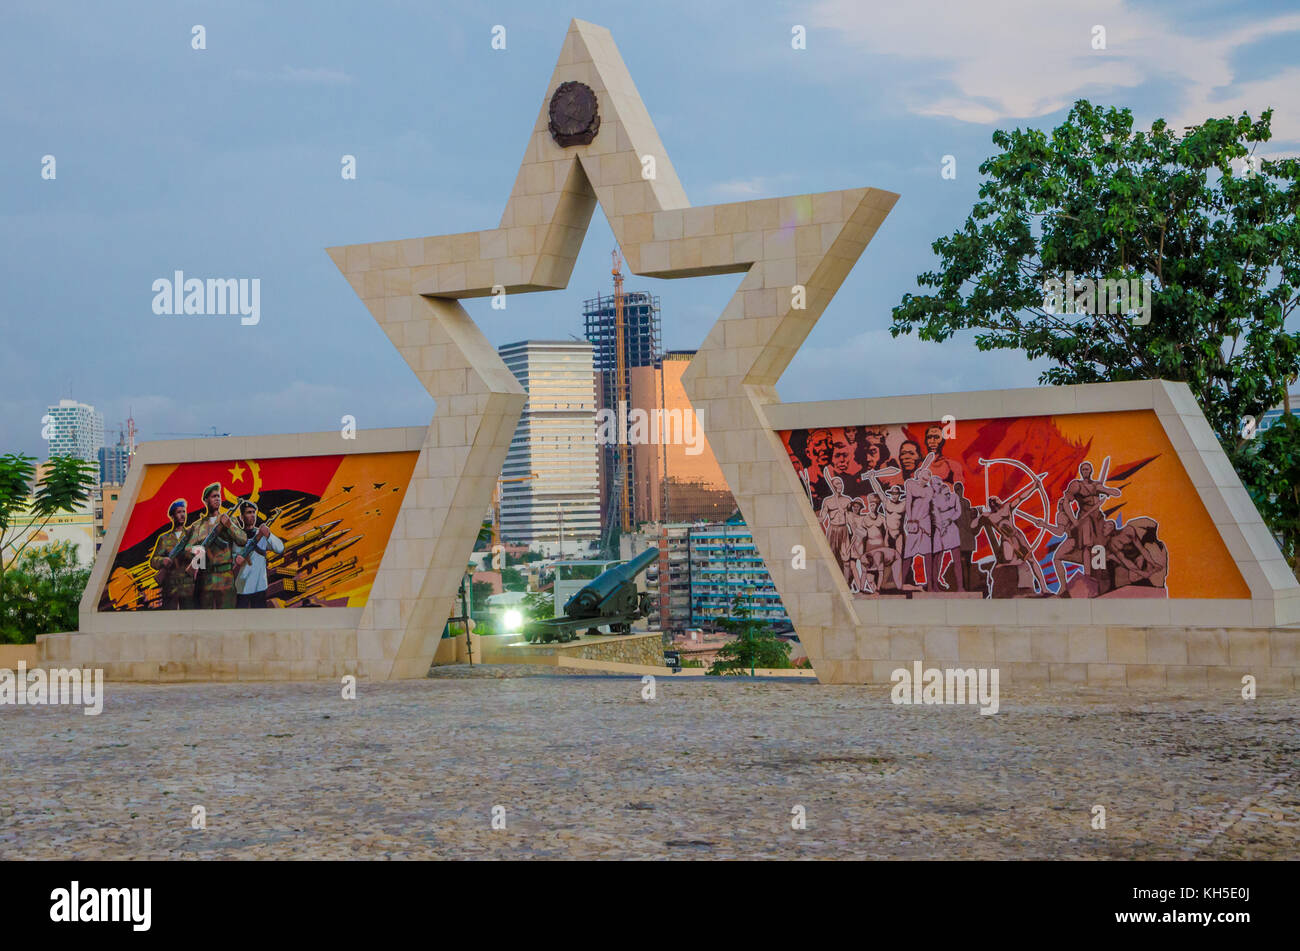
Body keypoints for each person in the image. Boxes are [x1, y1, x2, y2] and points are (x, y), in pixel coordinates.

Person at [189, 482, 247, 610]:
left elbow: (242, 539)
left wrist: (229, 525)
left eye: (218, 496)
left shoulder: (229, 520)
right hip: (206, 579)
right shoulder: (198, 526)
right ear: (205, 500)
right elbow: (190, 550)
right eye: (213, 496)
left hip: (225, 577)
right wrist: (197, 554)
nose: (217, 499)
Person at [233, 501, 284, 608]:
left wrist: (268, 534)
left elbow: (280, 548)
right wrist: (236, 558)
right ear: (242, 517)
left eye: (253, 512)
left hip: (259, 586)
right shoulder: (237, 536)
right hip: (242, 587)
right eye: (248, 512)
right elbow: (233, 557)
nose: (252, 515)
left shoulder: (262, 534)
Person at [149, 498, 195, 609]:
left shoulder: (192, 535)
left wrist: (192, 554)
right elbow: (153, 561)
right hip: (170, 587)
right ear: (173, 516)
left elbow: (200, 558)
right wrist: (162, 561)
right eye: (179, 512)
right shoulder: (164, 539)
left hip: (187, 586)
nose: (182, 515)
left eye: (184, 511)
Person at [818, 472, 856, 586]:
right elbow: (822, 517)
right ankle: (831, 583)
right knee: (831, 557)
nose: (839, 486)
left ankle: (846, 584)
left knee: (846, 559)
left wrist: (853, 531)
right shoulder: (828, 501)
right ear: (832, 486)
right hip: (832, 530)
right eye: (837, 484)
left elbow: (850, 518)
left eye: (840, 484)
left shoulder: (847, 500)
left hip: (844, 529)